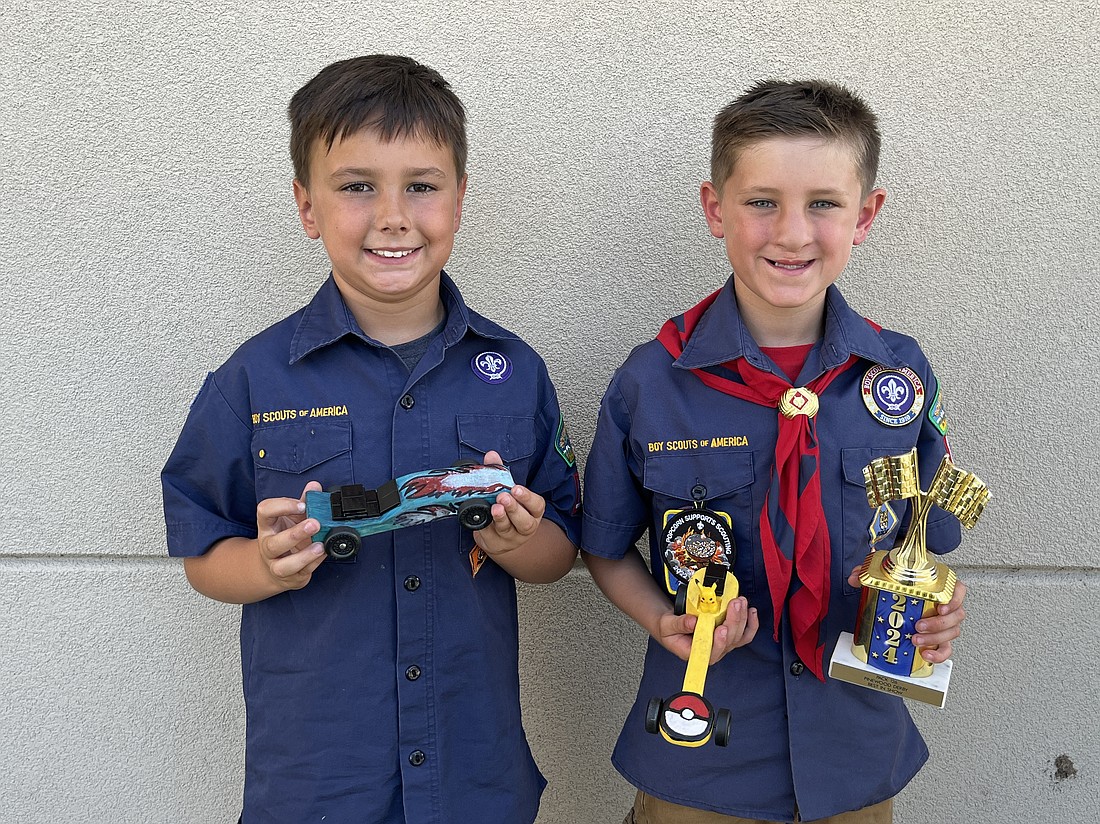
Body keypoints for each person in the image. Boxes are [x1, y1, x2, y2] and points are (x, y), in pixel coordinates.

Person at [161, 55, 581, 824]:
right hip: (319, 782)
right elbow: (202, 556)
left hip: (472, 774)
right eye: (357, 186)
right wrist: (261, 564)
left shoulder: (515, 372)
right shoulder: (251, 381)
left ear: (459, 198)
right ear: (306, 205)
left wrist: (519, 540)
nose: (393, 215)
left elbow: (562, 551)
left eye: (421, 185)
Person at [581, 80, 968, 824]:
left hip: (852, 752)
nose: (792, 232)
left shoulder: (900, 377)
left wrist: (941, 609)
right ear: (713, 208)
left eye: (823, 202)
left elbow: (929, 547)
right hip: (701, 749)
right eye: (762, 201)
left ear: (867, 215)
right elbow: (603, 545)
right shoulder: (651, 382)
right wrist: (659, 618)